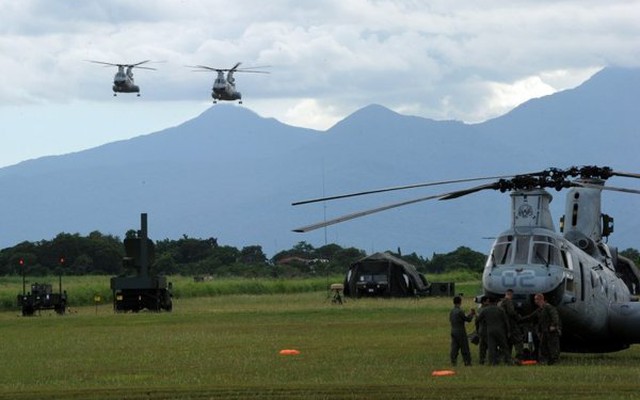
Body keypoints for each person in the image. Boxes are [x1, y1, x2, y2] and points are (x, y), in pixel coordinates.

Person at [525, 293, 561, 365]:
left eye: (536, 299)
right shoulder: (540, 310)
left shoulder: (548, 307)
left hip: (551, 331)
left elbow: (555, 316)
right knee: (543, 347)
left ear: (540, 299)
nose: (535, 301)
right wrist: (519, 319)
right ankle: (544, 361)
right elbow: (530, 317)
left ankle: (555, 361)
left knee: (553, 347)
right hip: (544, 332)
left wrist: (554, 325)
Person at [475, 296, 510, 365]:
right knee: (504, 346)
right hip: (500, 330)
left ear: (489, 301)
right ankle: (508, 360)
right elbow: (506, 322)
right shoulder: (500, 310)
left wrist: (478, 329)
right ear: (496, 302)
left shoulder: (485, 310)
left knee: (491, 347)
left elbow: (477, 320)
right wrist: (508, 331)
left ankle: (492, 362)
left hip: (490, 330)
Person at [449, 295, 475, 366]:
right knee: (464, 347)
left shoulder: (452, 311)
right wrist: (472, 314)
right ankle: (467, 362)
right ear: (460, 302)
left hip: (453, 330)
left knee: (454, 347)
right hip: (460, 331)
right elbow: (468, 319)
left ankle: (453, 362)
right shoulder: (460, 311)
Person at [499, 289, 524, 360]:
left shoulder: (500, 302)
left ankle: (506, 358)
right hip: (511, 324)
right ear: (511, 294)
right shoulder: (508, 301)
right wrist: (518, 316)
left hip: (503, 325)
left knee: (507, 342)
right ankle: (519, 357)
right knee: (518, 340)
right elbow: (511, 312)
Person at [475, 296, 490, 365]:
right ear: (484, 302)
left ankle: (481, 360)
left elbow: (476, 321)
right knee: (490, 345)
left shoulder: (479, 310)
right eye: (487, 301)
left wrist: (477, 330)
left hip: (481, 330)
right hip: (487, 330)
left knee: (482, 347)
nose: (488, 302)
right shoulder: (486, 310)